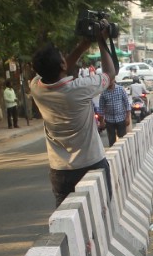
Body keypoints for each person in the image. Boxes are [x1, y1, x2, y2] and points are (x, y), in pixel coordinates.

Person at [29, 34, 116, 206]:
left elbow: (59, 68)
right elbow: (110, 73)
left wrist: (83, 45)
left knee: (66, 217)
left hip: (60, 170)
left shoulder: (36, 87)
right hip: (91, 164)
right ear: (62, 64)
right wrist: (101, 40)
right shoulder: (80, 88)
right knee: (102, 215)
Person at [98, 76, 132, 146]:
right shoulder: (103, 93)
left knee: (122, 139)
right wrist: (101, 122)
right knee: (111, 140)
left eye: (111, 80)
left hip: (121, 119)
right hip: (109, 120)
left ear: (114, 80)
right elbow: (101, 108)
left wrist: (127, 117)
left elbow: (127, 104)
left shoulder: (120, 89)